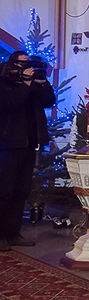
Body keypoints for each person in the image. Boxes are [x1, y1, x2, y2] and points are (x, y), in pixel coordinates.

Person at [0, 51, 55, 251]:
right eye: (21, 63)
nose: (25, 67)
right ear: (12, 64)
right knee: (5, 190)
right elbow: (11, 105)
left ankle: (13, 233)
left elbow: (48, 101)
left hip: (29, 144)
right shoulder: (4, 83)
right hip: (9, 144)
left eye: (27, 63)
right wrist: (25, 84)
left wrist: (42, 82)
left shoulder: (32, 84)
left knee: (21, 190)